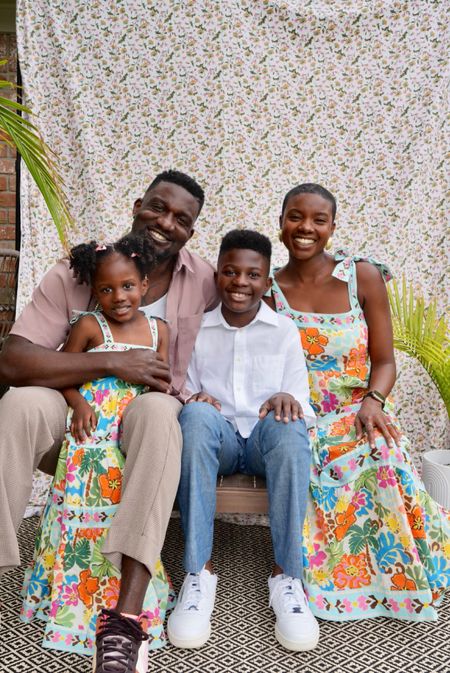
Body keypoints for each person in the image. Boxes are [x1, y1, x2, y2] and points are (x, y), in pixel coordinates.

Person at [0, 170, 217, 672]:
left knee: (163, 412)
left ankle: (125, 622)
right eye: (158, 208)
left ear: (192, 231)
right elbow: (13, 361)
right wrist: (110, 362)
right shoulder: (78, 269)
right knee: (18, 403)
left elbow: (254, 311)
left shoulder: (204, 278)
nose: (166, 223)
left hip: (147, 417)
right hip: (77, 419)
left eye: (182, 219)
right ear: (138, 203)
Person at [268, 182, 450, 621]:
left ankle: (393, 574)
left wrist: (374, 401)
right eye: (296, 217)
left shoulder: (361, 277)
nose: (305, 227)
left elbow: (385, 361)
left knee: (379, 448)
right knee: (308, 458)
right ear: (280, 225)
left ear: (332, 226)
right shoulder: (268, 289)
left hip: (357, 408)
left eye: (318, 219)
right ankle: (335, 577)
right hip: (302, 416)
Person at [20, 233, 172, 662]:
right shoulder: (88, 325)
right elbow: (63, 374)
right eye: (106, 289)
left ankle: (125, 607)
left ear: (144, 284)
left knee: (124, 513)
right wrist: (79, 402)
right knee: (81, 519)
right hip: (90, 438)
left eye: (127, 286)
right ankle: (72, 605)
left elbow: (163, 383)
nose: (118, 297)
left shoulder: (160, 330)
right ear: (95, 292)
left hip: (129, 440)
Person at [167, 229, 319, 653]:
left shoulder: (284, 331)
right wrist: (195, 398)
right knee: (195, 416)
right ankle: (199, 574)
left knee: (290, 428)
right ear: (218, 275)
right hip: (221, 441)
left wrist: (287, 398)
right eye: (231, 271)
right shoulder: (198, 329)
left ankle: (287, 577)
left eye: (253, 274)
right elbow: (186, 389)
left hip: (264, 440)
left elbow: (300, 401)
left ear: (267, 282)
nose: (240, 282)